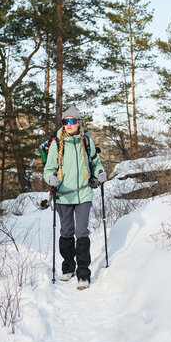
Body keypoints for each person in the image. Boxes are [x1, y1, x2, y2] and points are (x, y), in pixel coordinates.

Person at [43, 107, 106, 290]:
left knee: (81, 232)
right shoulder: (56, 144)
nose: (68, 125)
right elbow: (49, 169)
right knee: (66, 231)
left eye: (72, 121)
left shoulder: (86, 141)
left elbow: (95, 162)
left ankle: (83, 273)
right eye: (65, 122)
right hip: (63, 195)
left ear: (78, 123)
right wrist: (51, 178)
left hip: (84, 193)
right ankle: (68, 267)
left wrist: (100, 173)